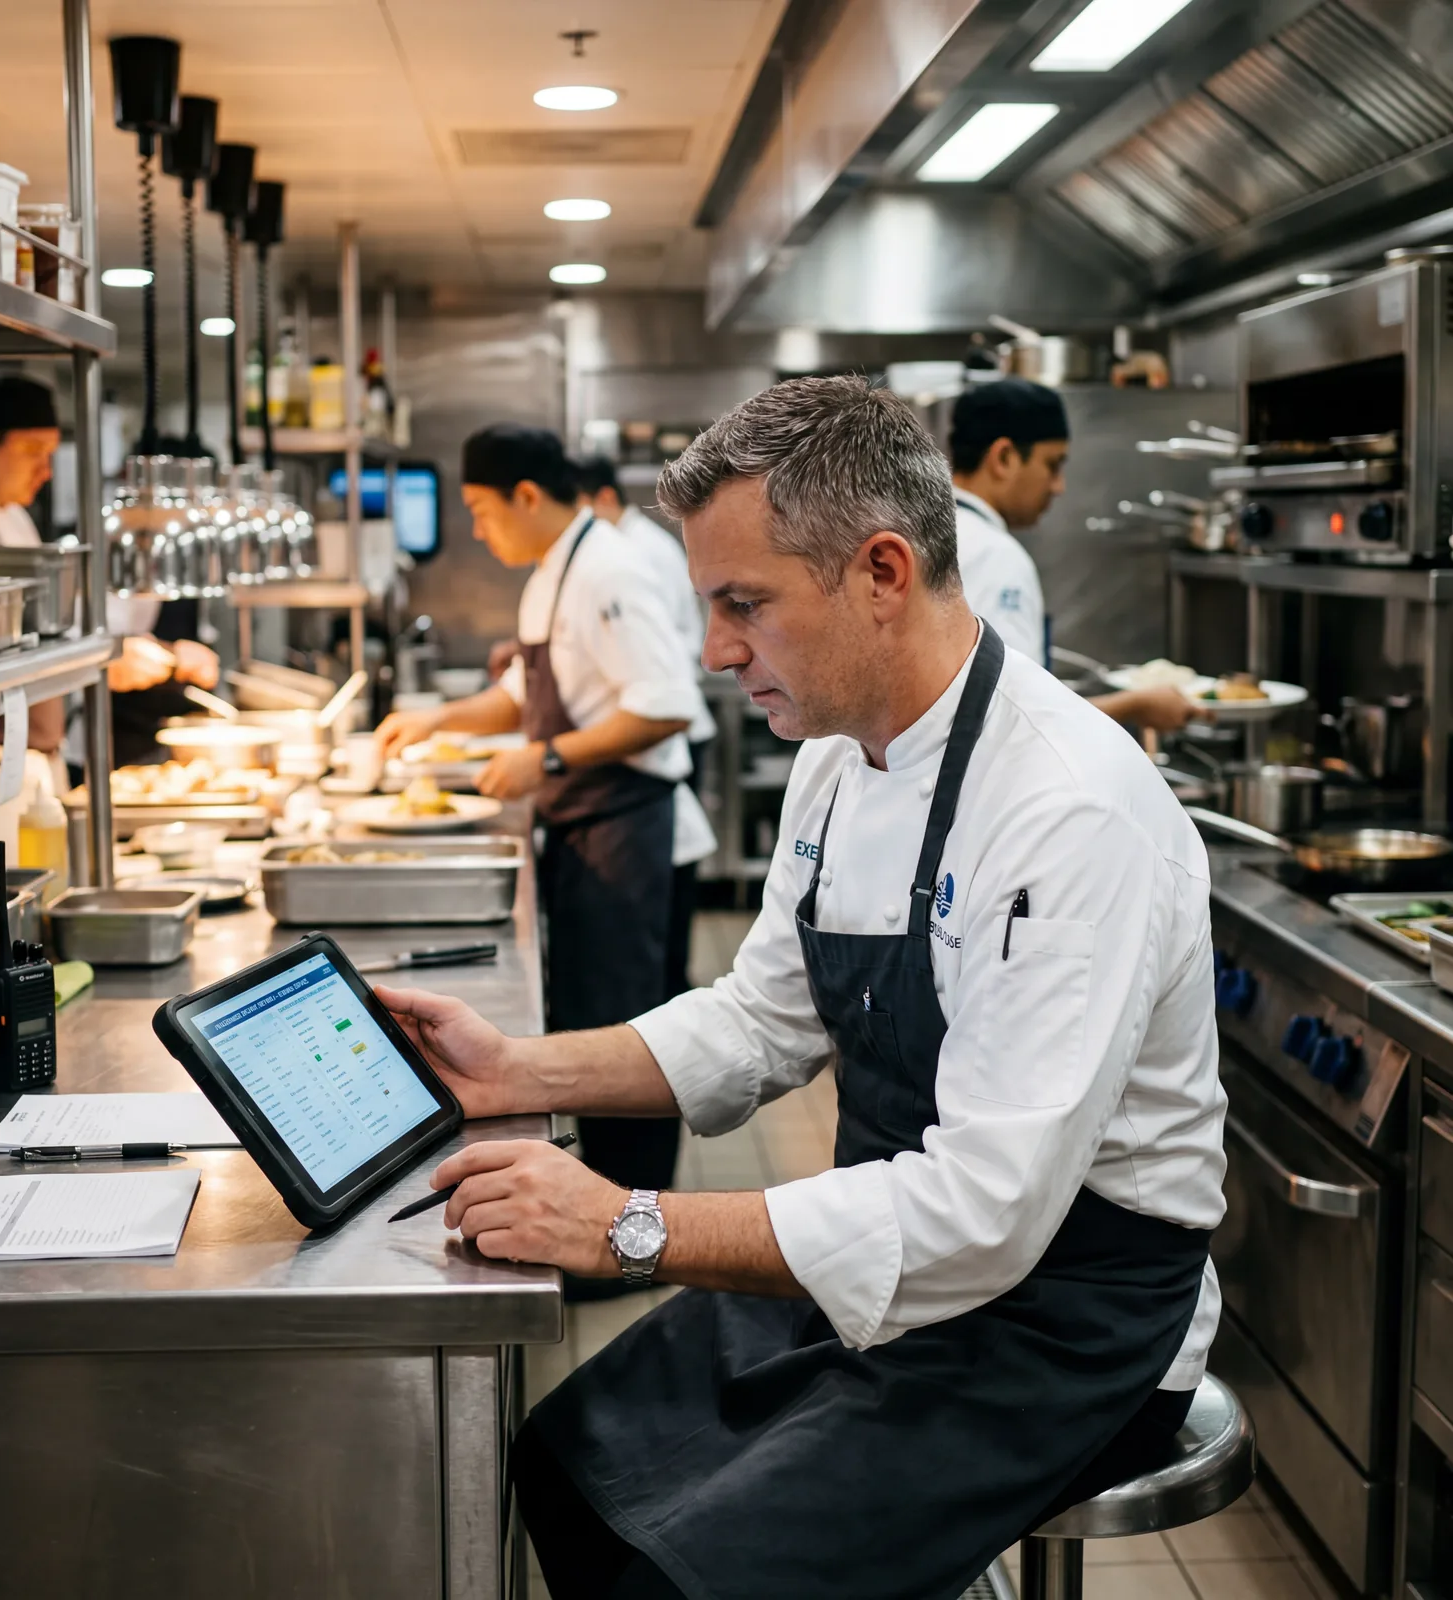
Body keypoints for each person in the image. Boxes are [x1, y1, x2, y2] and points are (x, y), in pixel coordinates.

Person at [380, 378, 1226, 1600]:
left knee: (679, 1576)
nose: (716, 651)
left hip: (1062, 1320)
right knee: (563, 1464)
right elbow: (762, 1018)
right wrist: (516, 1068)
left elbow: (985, 1213)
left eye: (745, 604)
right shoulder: (838, 758)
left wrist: (629, 1223)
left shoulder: (1066, 809)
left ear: (882, 572)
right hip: (888, 1259)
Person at [375, 424, 702, 1202]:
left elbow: (665, 706)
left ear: (526, 496)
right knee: (589, 1020)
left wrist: (546, 758)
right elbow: (527, 696)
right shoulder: (554, 570)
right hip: (584, 827)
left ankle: (633, 1215)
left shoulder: (608, 570)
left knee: (623, 1031)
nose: (478, 530)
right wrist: (439, 719)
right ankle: (600, 1202)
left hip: (624, 833)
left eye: (482, 512)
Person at [0, 374, 222, 774]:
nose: (46, 471)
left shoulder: (11, 512)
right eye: (34, 452)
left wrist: (124, 649)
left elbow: (47, 619)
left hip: (18, 754)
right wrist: (99, 658)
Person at [949, 377, 1197, 732]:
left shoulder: (936, 533)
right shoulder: (997, 557)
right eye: (1052, 465)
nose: (1059, 487)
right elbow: (1012, 716)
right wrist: (1134, 705)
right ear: (1003, 458)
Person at [576, 455, 717, 998]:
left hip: (670, 731)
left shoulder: (632, 555)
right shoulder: (620, 549)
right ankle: (671, 985)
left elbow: (661, 674)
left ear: (604, 498)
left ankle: (671, 989)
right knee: (669, 875)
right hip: (660, 725)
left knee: (669, 876)